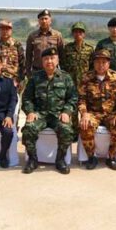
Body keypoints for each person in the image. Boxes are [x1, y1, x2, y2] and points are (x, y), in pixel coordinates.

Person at [21, 47, 77, 175]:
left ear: (57, 60)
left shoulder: (66, 77)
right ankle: (33, 160)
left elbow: (73, 98)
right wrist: (30, 112)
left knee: (66, 130)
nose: (49, 61)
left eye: (52, 58)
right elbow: (27, 98)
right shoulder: (35, 77)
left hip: (58, 114)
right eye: (46, 59)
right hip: (40, 114)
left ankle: (60, 160)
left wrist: (66, 112)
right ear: (42, 61)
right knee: (29, 128)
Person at [77, 48, 116, 171]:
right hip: (93, 113)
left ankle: (111, 156)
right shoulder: (86, 77)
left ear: (108, 63)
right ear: (94, 63)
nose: (101, 65)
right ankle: (91, 157)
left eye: (104, 62)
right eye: (98, 62)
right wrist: (84, 114)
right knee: (84, 126)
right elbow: (81, 99)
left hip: (111, 114)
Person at [25, 9, 64, 78]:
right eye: (42, 19)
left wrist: (62, 72)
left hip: (53, 71)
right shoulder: (32, 36)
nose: (44, 21)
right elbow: (28, 56)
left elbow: (62, 55)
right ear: (39, 21)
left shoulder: (57, 35)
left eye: (46, 18)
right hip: (37, 71)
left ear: (50, 20)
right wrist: (28, 72)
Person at [0, 19, 25, 87]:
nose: (5, 31)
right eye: (2, 29)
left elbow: (23, 64)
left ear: (11, 30)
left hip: (13, 81)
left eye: (7, 29)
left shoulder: (17, 44)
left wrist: (19, 80)